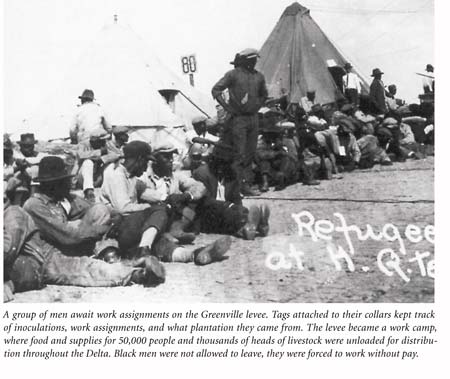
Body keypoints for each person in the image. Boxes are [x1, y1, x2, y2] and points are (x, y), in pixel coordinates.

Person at [4, 203, 166, 302]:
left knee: (85, 269)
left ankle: (137, 273)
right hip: (26, 262)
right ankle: (136, 269)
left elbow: (7, 248)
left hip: (42, 257)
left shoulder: (14, 213)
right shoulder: (27, 208)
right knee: (83, 268)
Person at [101, 141, 228, 265]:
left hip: (131, 227)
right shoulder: (117, 176)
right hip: (116, 229)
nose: (146, 167)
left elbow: (151, 194)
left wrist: (173, 198)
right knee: (158, 211)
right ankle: (144, 249)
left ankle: (192, 255)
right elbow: (122, 208)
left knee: (159, 241)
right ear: (139, 159)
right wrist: (151, 207)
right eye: (146, 162)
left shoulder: (132, 178)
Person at [145, 142, 270, 241]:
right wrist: (166, 198)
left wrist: (186, 195)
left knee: (225, 213)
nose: (171, 160)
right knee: (206, 203)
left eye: (171, 156)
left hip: (216, 214)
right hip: (195, 215)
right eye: (165, 157)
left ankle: (250, 226)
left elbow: (199, 187)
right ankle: (248, 222)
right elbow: (204, 203)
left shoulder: (176, 176)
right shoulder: (145, 179)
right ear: (155, 159)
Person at [23, 156, 117, 257]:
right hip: (53, 253)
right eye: (63, 181)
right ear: (53, 184)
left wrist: (116, 215)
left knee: (99, 209)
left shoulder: (63, 198)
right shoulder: (34, 205)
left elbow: (92, 207)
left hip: (73, 244)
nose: (69, 184)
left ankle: (97, 252)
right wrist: (103, 229)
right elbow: (66, 235)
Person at [212, 48, 268, 196]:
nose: (254, 62)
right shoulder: (233, 75)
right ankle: (235, 188)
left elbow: (264, 95)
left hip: (253, 118)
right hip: (238, 119)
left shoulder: (259, 77)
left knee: (250, 152)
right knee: (239, 154)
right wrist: (228, 108)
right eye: (251, 59)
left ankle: (246, 185)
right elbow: (216, 90)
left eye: (255, 59)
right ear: (245, 60)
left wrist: (257, 105)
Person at [76, 128, 121, 202]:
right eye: (101, 140)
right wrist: (99, 152)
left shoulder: (106, 144)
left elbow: (117, 154)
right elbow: (81, 155)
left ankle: (110, 190)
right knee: (88, 162)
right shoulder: (83, 144)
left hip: (98, 177)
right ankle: (88, 190)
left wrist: (102, 159)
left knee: (111, 165)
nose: (104, 142)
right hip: (83, 178)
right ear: (95, 141)